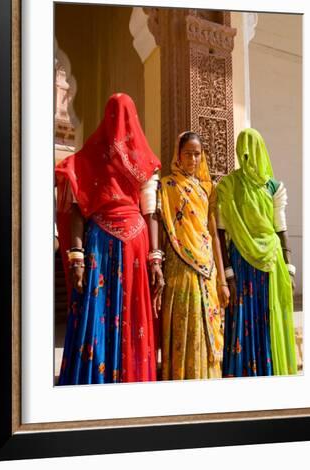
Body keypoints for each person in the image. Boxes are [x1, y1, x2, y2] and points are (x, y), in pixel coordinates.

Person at [55, 92, 163, 385]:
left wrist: (156, 258)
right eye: (115, 114)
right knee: (96, 315)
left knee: (131, 319)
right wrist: (75, 255)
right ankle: (95, 381)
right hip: (102, 246)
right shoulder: (90, 158)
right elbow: (77, 204)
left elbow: (150, 209)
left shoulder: (143, 161)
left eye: (123, 115)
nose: (119, 122)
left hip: (130, 248)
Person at [216, 128, 297, 377]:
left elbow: (281, 228)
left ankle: (269, 372)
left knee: (267, 317)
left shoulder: (274, 187)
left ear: (261, 151)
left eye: (252, 151)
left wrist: (290, 267)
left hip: (271, 264)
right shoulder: (228, 185)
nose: (247, 157)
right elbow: (220, 231)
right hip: (240, 262)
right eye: (244, 152)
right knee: (243, 316)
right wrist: (227, 272)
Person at [154, 131, 229, 380]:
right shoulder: (167, 186)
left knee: (206, 324)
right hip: (180, 265)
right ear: (178, 154)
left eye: (197, 154)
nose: (193, 159)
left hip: (207, 267)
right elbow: (166, 230)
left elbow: (214, 233)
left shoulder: (207, 190)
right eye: (188, 154)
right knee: (186, 323)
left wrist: (222, 280)